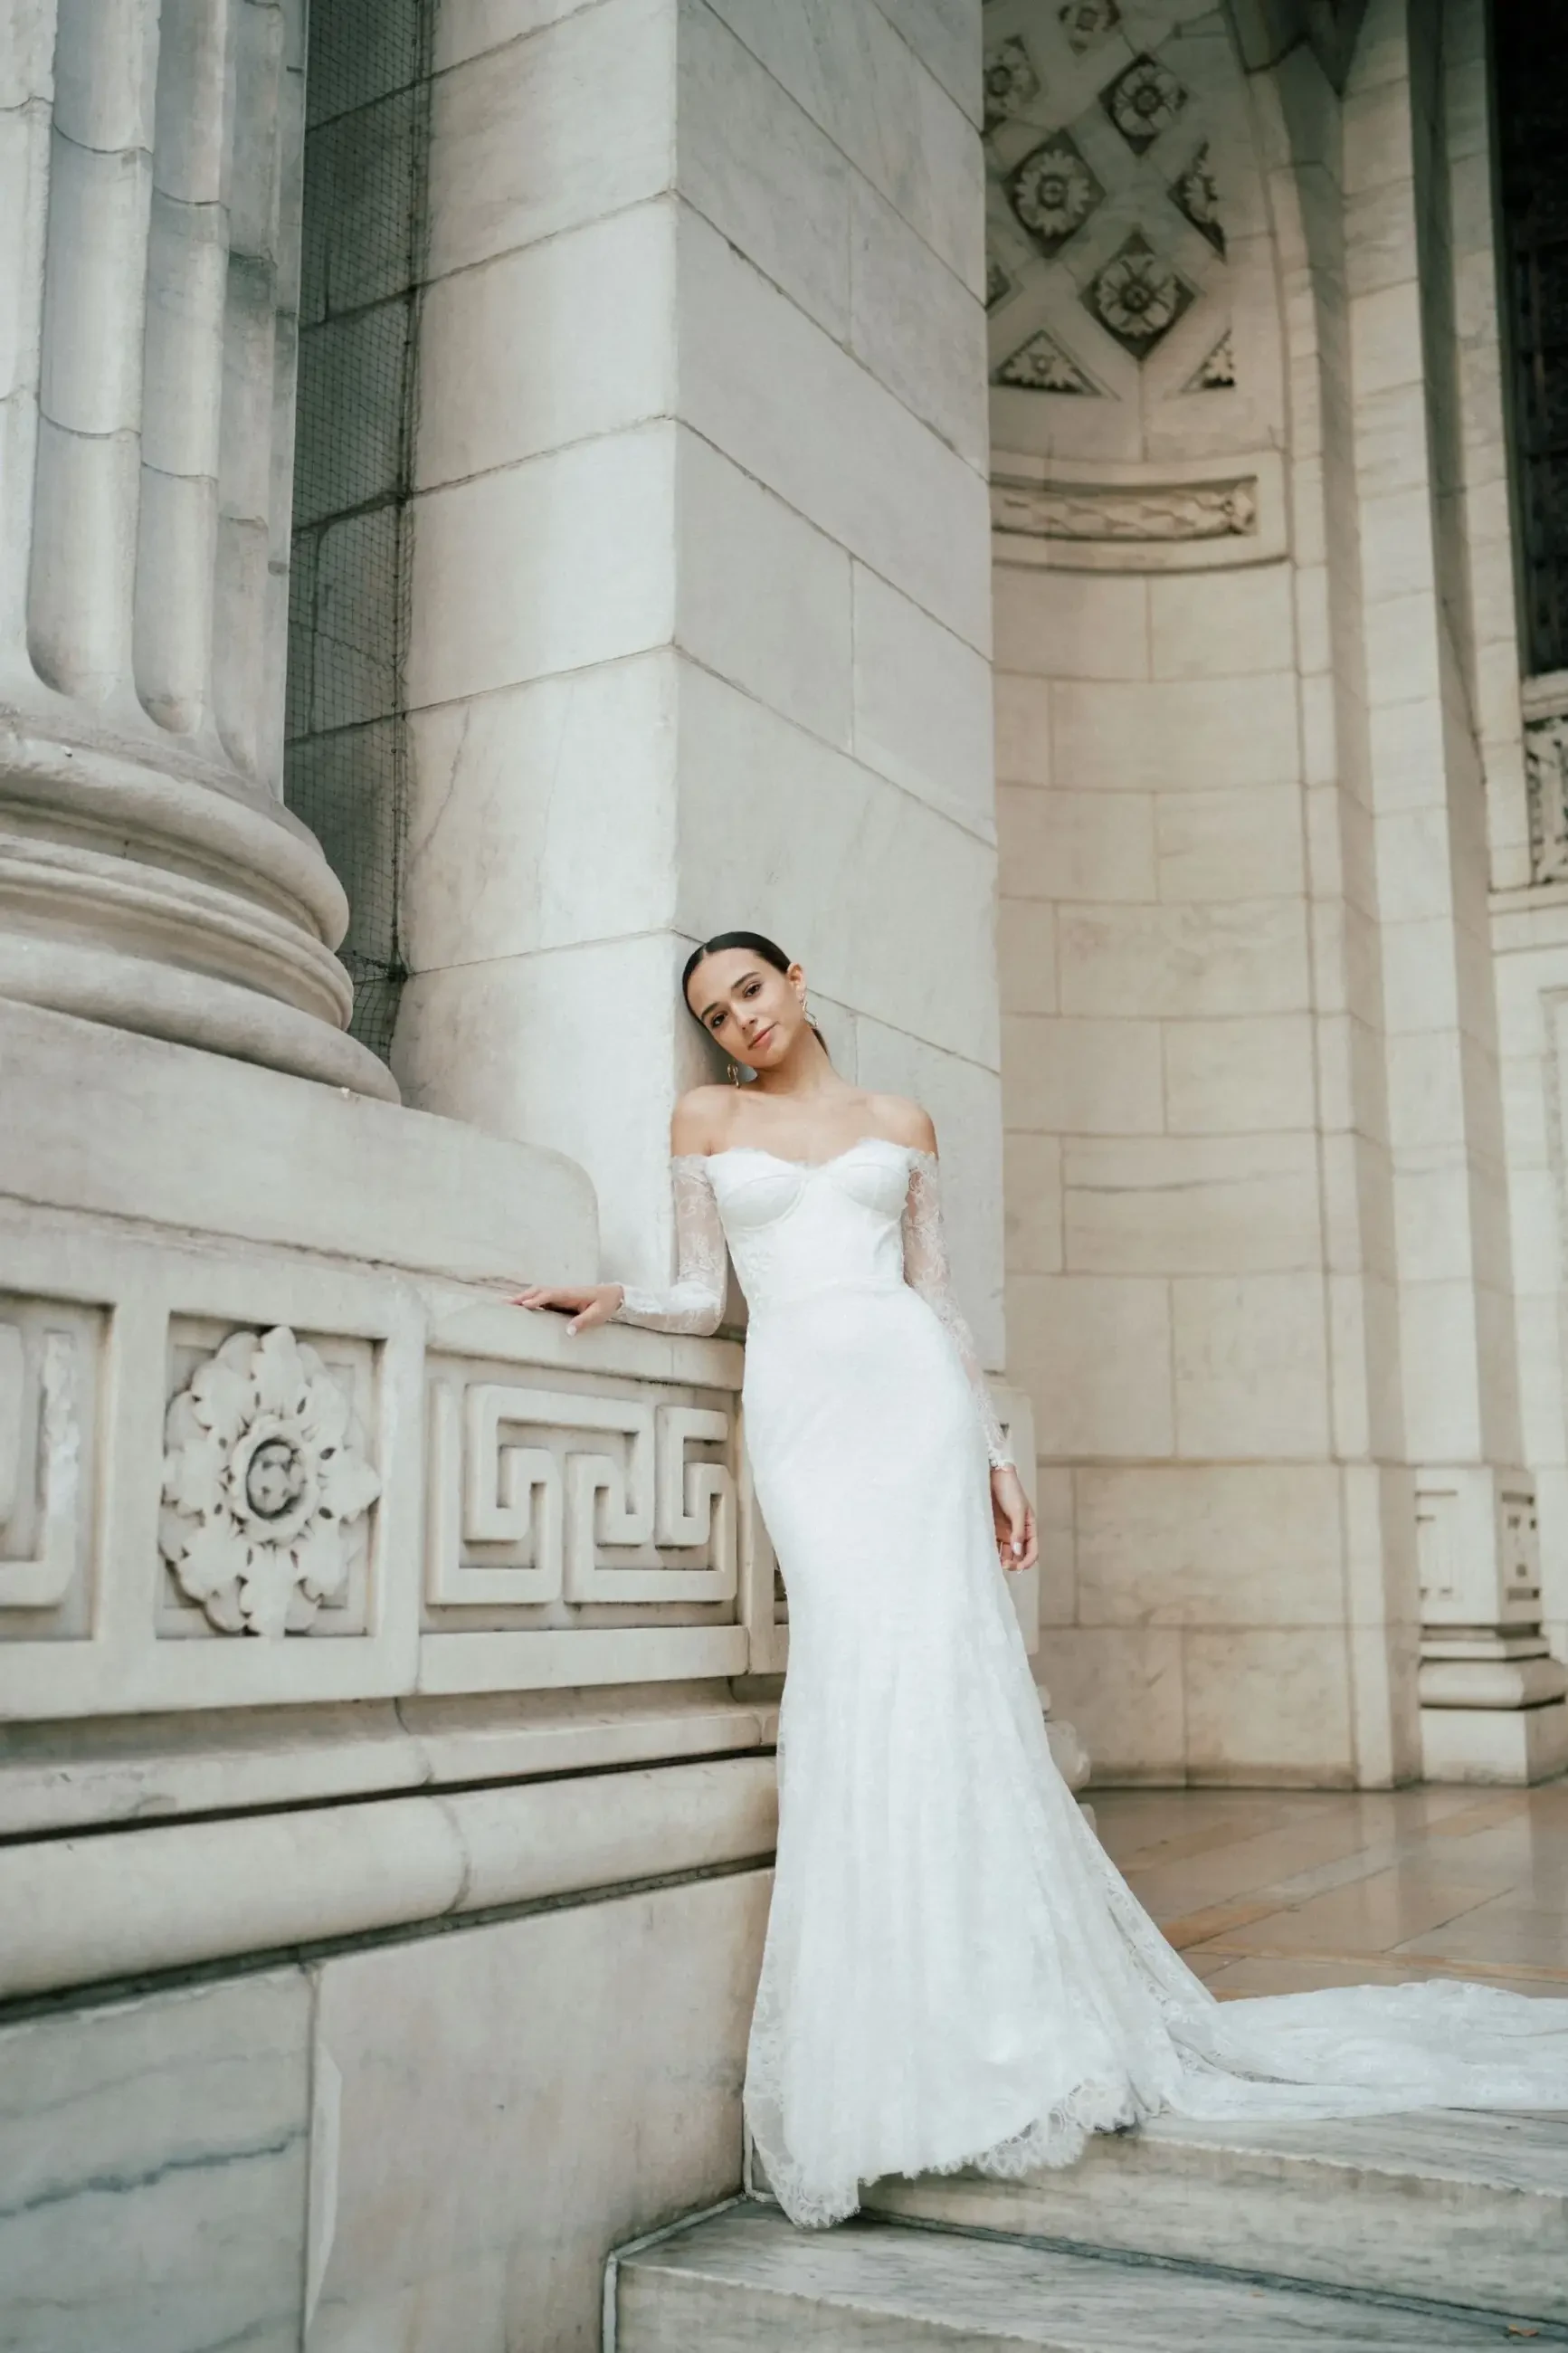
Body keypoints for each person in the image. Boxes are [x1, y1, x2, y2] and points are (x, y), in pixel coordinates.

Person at [515, 929, 1568, 2233]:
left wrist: (998, 1460)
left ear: (799, 982)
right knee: (853, 1678)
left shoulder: (902, 1120)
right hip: (804, 1419)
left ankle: (1001, 2018)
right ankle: (889, 2034)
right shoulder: (706, 1119)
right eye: (716, 1016)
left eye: (750, 991)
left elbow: (939, 1303)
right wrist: (615, 1297)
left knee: (948, 1684)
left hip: (915, 1409)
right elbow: (699, 1294)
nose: (739, 1022)